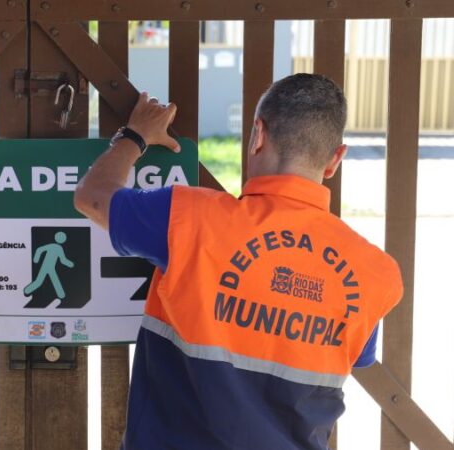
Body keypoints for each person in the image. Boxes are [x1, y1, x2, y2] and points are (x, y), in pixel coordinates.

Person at [74, 74, 403, 449]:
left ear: (258, 135)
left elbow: (93, 196)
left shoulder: (188, 217)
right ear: (334, 160)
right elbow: (355, 357)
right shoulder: (375, 273)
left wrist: (135, 136)